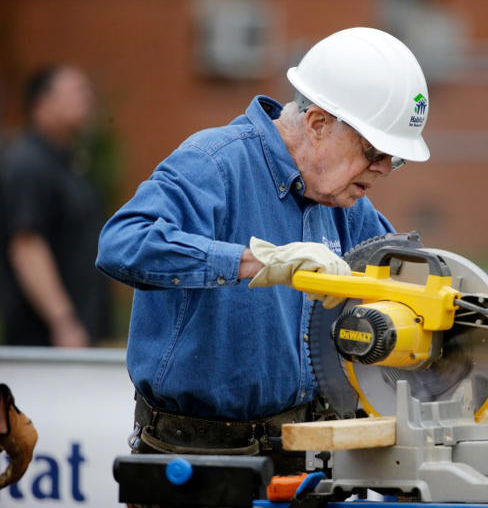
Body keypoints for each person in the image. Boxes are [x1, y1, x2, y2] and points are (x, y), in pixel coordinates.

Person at [96, 28, 430, 471]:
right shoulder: (214, 162)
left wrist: (476, 350)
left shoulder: (348, 205)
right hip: (198, 458)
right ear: (316, 124)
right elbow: (123, 242)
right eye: (374, 151)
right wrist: (255, 261)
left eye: (394, 158)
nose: (384, 169)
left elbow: (416, 285)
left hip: (305, 454)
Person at [0, 65, 111, 347]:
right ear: (42, 102)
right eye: (76, 91)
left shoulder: (68, 163)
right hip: (46, 340)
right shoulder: (27, 164)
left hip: (83, 332)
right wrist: (62, 321)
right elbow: (26, 244)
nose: (86, 98)